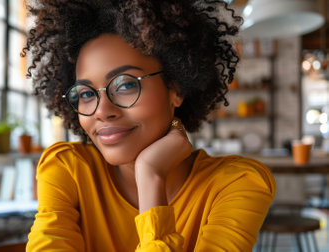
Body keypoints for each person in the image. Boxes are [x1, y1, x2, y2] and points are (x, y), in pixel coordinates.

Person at [22, 0, 276, 251]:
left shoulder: (237, 184)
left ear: (175, 89)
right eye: (86, 94)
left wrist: (150, 174)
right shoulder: (69, 171)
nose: (102, 111)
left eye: (125, 85)